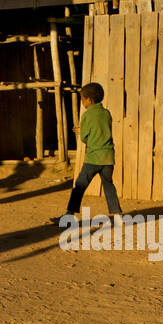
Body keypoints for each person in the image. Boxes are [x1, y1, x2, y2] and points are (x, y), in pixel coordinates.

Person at [58, 82, 122, 221]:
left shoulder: (87, 115)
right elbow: (101, 130)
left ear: (90, 100)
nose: (82, 102)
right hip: (108, 158)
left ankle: (69, 215)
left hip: (93, 158)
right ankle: (117, 216)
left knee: (80, 186)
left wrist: (81, 132)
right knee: (109, 185)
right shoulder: (106, 113)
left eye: (82, 99)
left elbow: (85, 138)